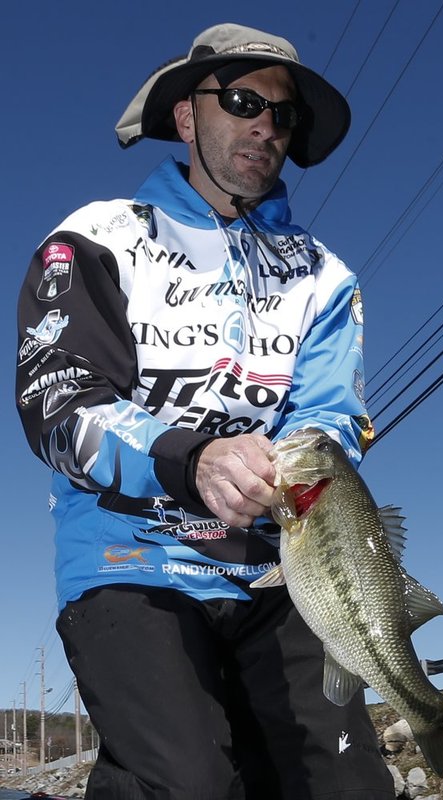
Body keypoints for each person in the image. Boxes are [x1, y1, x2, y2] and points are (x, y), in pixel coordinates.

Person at [16, 22, 394, 800]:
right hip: (129, 562)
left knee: (348, 786)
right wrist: (191, 459)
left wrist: (299, 455)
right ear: (187, 117)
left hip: (278, 567)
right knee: (184, 784)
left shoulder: (325, 277)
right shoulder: (96, 237)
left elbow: (331, 417)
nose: (265, 125)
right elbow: (58, 404)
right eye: (243, 100)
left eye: (282, 114)